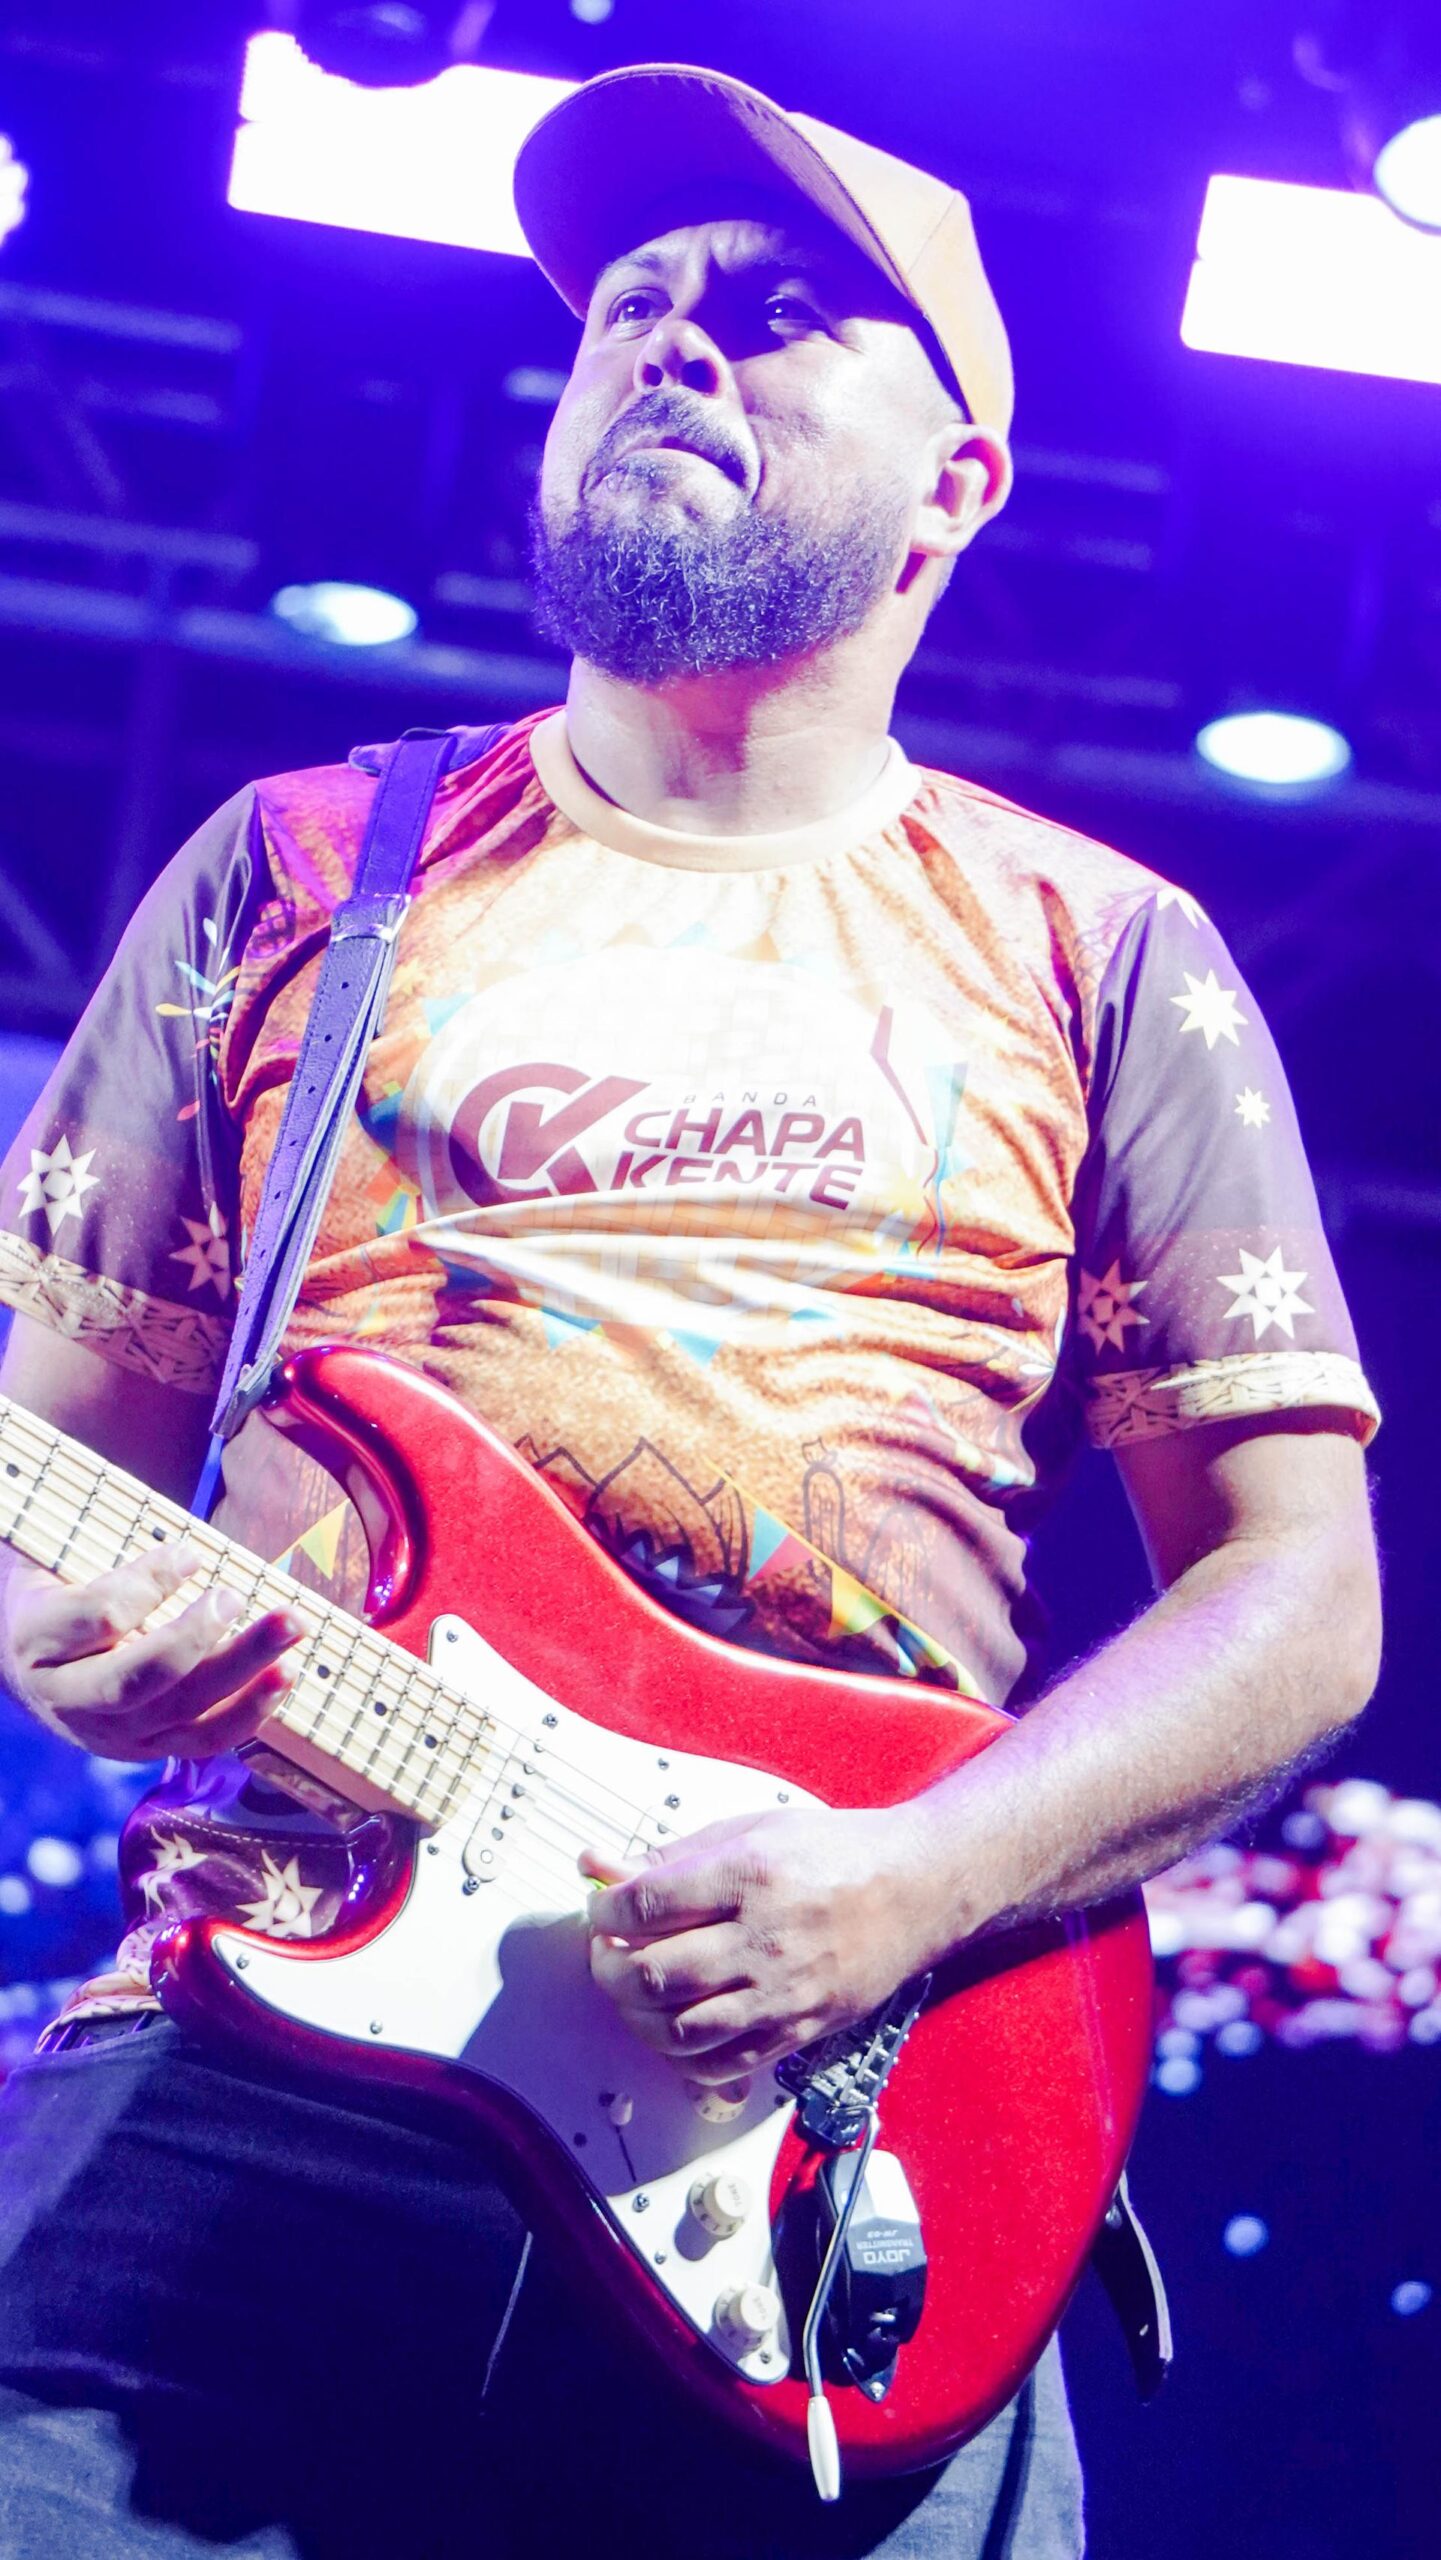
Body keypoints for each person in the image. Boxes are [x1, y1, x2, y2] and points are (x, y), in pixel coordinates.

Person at [0, 60, 1379, 2560]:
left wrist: (916, 1880)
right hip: (255, 2052)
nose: (668, 339)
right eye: (630, 301)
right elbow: (43, 1465)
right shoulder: (297, 867)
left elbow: (1295, 1593)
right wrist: (68, 1637)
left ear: (955, 485)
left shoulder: (1102, 950)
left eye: (772, 311)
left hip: (835, 2109)